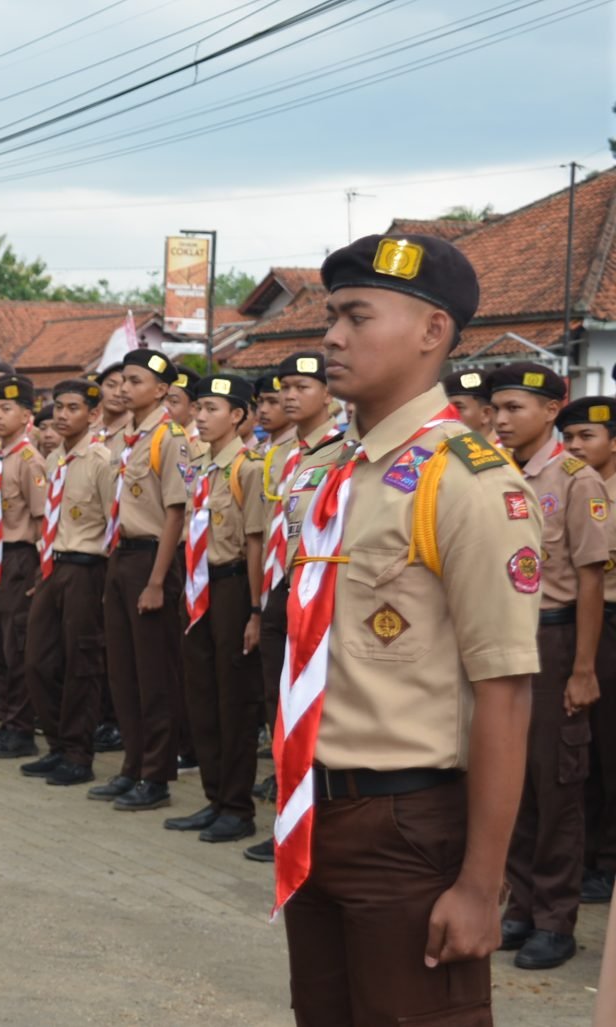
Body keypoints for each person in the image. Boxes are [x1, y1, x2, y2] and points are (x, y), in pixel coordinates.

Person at [273, 235, 540, 1024]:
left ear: (432, 332)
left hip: (409, 827)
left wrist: (480, 885)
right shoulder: (332, 476)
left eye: (357, 315)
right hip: (315, 815)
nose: (331, 337)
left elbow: (507, 692)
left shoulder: (469, 481)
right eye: (330, 317)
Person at [491, 362, 606, 971]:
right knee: (510, 779)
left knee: (557, 781)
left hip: (555, 641)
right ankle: (519, 906)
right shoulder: (495, 476)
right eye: (498, 408)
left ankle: (556, 920)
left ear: (549, 411)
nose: (502, 419)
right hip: (503, 641)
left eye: (514, 408)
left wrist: (583, 668)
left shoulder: (576, 480)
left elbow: (589, 580)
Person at [244, 352, 342, 864]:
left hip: (317, 587)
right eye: (285, 387)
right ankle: (286, 819)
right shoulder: (283, 455)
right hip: (281, 589)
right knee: (276, 707)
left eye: (303, 386)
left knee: (312, 711)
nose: (288, 395)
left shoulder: (344, 451)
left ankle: (316, 823)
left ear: (329, 394)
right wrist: (260, 608)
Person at [94, 348, 192, 811]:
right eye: (121, 381)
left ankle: (156, 775)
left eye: (134, 381)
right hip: (121, 556)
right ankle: (131, 765)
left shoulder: (168, 437)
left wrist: (157, 580)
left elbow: (176, 512)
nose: (124, 389)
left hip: (152, 559)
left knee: (154, 674)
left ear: (161, 390)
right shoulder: (125, 438)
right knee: (124, 671)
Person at [171, 373, 264, 844]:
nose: (200, 416)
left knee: (235, 701)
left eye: (211, 409)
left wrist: (255, 611)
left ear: (239, 416)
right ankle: (213, 798)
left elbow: (254, 544)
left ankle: (237, 806)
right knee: (202, 697)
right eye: (198, 408)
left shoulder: (249, 468)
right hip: (198, 587)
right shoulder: (201, 465)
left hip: (231, 589)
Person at [22, 378, 119, 784]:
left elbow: (114, 526)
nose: (62, 415)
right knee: (38, 660)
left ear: (94, 414)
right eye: (58, 406)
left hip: (87, 568)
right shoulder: (54, 458)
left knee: (81, 662)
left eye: (73, 408)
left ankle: (79, 754)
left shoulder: (101, 460)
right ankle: (58, 744)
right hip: (53, 566)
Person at [0, 375, 47, 760]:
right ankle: (6, 718)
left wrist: (38, 573)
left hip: (18, 558)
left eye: (6, 409)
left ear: (27, 415)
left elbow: (42, 521)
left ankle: (20, 728)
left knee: (16, 645)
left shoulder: (31, 462)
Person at [557, 396, 616, 906]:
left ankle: (607, 859)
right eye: (569, 438)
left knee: (609, 746)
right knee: (582, 745)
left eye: (587, 438)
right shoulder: (566, 485)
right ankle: (586, 852)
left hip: (611, 621)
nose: (575, 447)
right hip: (577, 621)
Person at [442, 367, 497, 441]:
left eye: (458, 408)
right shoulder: (442, 450)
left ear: (486, 414)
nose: (448, 416)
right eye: (446, 409)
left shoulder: (507, 451)